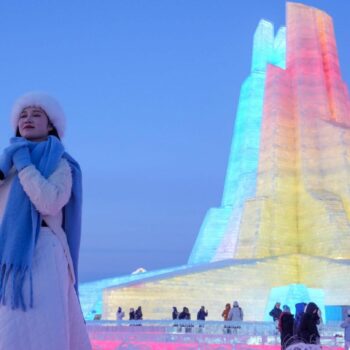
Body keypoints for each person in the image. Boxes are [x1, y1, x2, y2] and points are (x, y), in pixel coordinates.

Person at [0, 92, 91, 350]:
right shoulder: (7, 164)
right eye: (23, 116)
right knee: (9, 329)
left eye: (36, 114)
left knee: (44, 326)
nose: (27, 119)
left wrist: (26, 165)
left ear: (50, 124)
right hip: (9, 261)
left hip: (46, 254)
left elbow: (50, 202)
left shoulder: (60, 163)